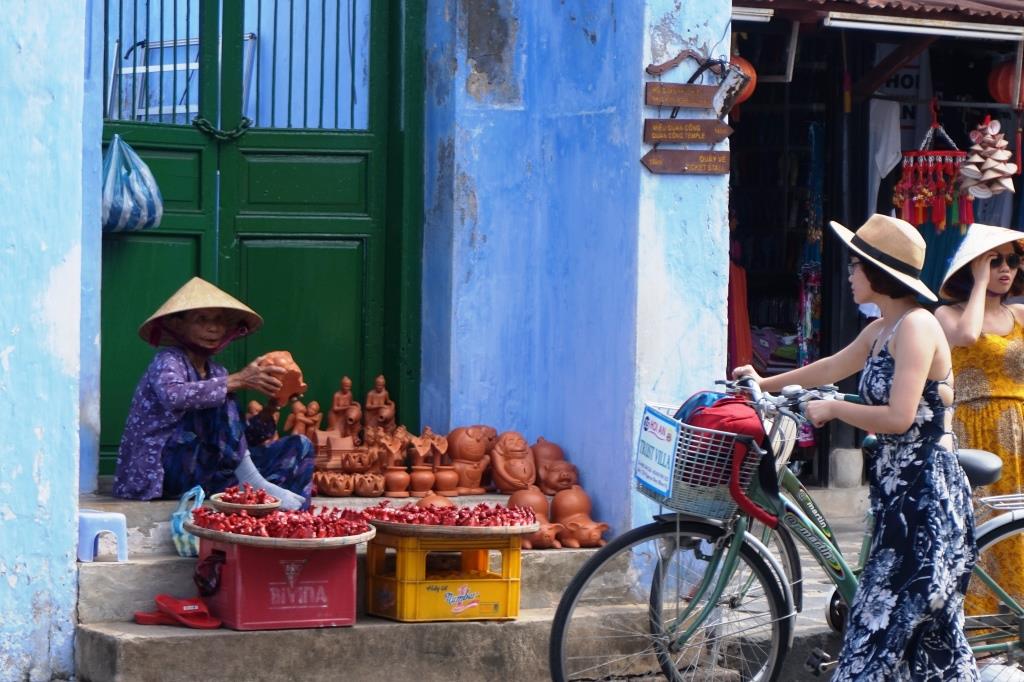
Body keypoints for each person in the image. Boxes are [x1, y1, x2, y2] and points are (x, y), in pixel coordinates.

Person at [733, 214, 977, 680]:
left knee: (885, 628)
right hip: (896, 493)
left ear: (877, 272)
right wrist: (763, 381)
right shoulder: (881, 328)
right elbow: (829, 367)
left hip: (925, 498)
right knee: (919, 639)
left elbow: (900, 417)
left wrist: (835, 410)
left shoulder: (917, 327)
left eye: (854, 266)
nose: (847, 275)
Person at [113, 277, 315, 509]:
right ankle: (254, 485)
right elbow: (173, 395)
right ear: (177, 325)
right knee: (219, 397)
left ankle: (296, 522)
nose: (213, 328)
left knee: (300, 446)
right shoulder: (168, 359)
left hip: (211, 472)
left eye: (219, 320)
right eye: (202, 320)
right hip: (165, 472)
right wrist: (237, 380)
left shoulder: (218, 372)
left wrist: (273, 406)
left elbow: (239, 443)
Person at [936, 223, 1024, 619]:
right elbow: (968, 337)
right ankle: (975, 623)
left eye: (1013, 260)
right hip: (972, 432)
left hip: (1020, 430)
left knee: (1015, 526)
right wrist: (978, 283)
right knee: (974, 525)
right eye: (995, 261)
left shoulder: (1020, 314)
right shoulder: (946, 314)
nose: (1006, 269)